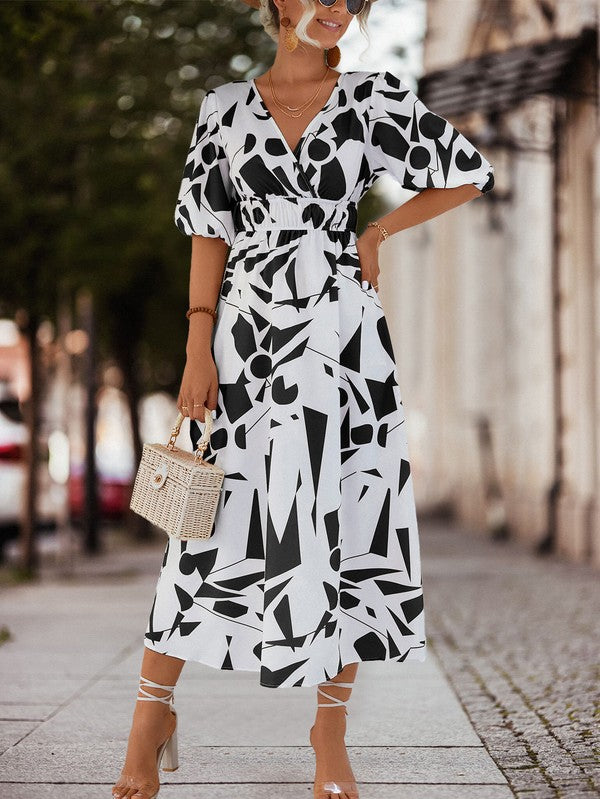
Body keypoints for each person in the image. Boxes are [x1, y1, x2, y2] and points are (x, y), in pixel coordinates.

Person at [112, 0, 495, 797]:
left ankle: (329, 732)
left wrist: (376, 233)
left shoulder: (374, 98)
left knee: (346, 521)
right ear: (275, 3)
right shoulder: (222, 109)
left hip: (344, 346)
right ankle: (151, 716)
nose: (335, 8)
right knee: (206, 526)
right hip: (243, 344)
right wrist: (195, 343)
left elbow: (466, 172)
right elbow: (208, 229)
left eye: (351, 0)